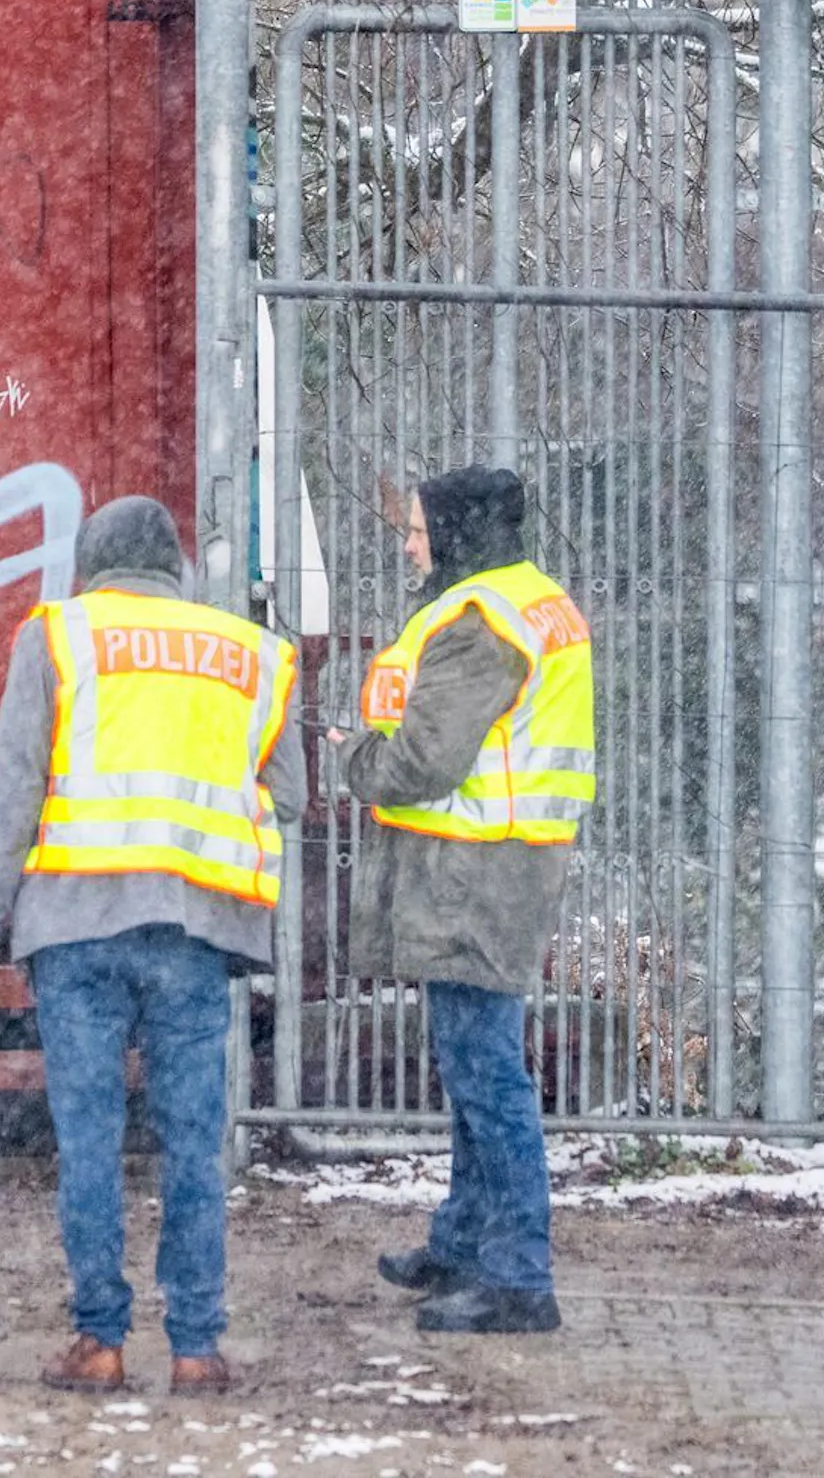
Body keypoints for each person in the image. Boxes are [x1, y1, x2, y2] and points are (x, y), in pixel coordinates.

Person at [0, 496, 303, 1396]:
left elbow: (15, 786)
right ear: (178, 565)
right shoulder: (251, 656)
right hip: (194, 930)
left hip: (75, 928)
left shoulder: (61, 638)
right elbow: (290, 793)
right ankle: (195, 1346)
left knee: (91, 1135)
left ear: (93, 564)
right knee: (193, 1137)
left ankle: (100, 1341)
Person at [327, 466, 595, 1335]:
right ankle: (466, 1244)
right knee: (474, 1064)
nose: (408, 543)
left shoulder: (481, 620)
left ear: (456, 530)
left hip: (475, 868)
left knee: (486, 1074)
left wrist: (357, 759)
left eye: (417, 529)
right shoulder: (528, 597)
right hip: (500, 862)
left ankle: (518, 1276)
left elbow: (427, 760)